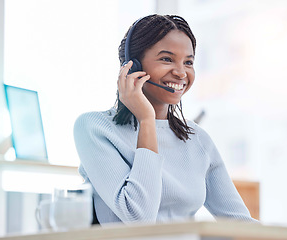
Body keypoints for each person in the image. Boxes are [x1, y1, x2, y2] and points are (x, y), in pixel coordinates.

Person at [74, 14, 258, 225]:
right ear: (132, 66)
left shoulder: (197, 138)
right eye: (167, 59)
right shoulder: (94, 128)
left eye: (188, 62)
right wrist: (146, 120)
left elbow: (240, 223)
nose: (181, 73)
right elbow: (139, 219)